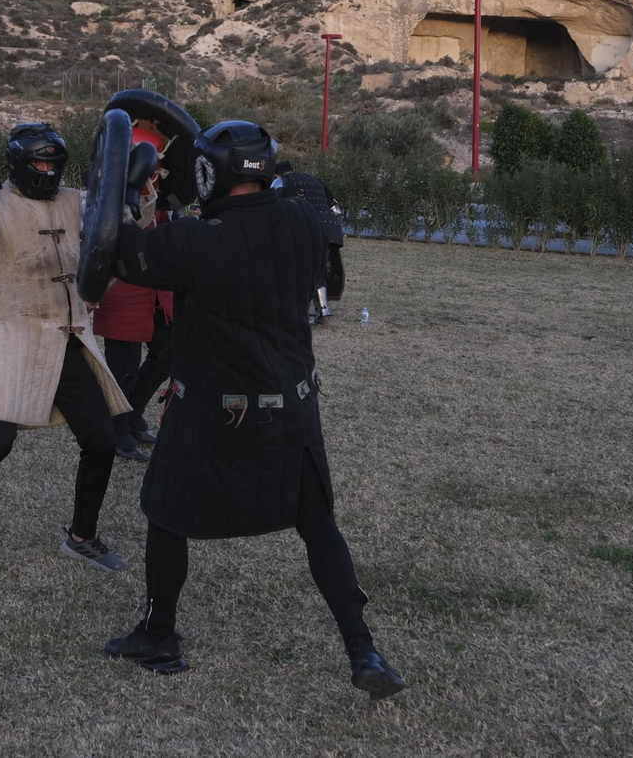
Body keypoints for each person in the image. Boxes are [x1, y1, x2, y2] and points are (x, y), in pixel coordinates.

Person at [100, 120, 406, 699]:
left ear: (209, 173)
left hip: (210, 411)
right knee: (318, 524)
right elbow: (307, 218)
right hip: (290, 406)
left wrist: (131, 189)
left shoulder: (194, 242)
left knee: (165, 514)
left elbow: (117, 252)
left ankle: (159, 636)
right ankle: (363, 650)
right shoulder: (306, 224)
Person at [0, 122, 135, 573]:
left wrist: (136, 192)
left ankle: (82, 537)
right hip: (10, 339)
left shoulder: (73, 201)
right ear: (19, 162)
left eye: (54, 165)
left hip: (64, 337)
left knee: (102, 439)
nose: (48, 172)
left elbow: (117, 230)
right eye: (39, 164)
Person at [92, 126, 174, 462]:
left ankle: (133, 412)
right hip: (122, 285)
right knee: (123, 366)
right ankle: (118, 430)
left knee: (168, 353)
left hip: (157, 287)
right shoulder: (107, 191)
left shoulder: (163, 190)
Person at [272, 161, 347, 324]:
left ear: (276, 174)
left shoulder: (280, 182)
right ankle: (323, 312)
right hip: (330, 229)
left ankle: (301, 314)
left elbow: (271, 208)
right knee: (318, 270)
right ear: (293, 170)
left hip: (306, 229)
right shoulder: (315, 180)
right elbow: (336, 210)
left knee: (302, 271)